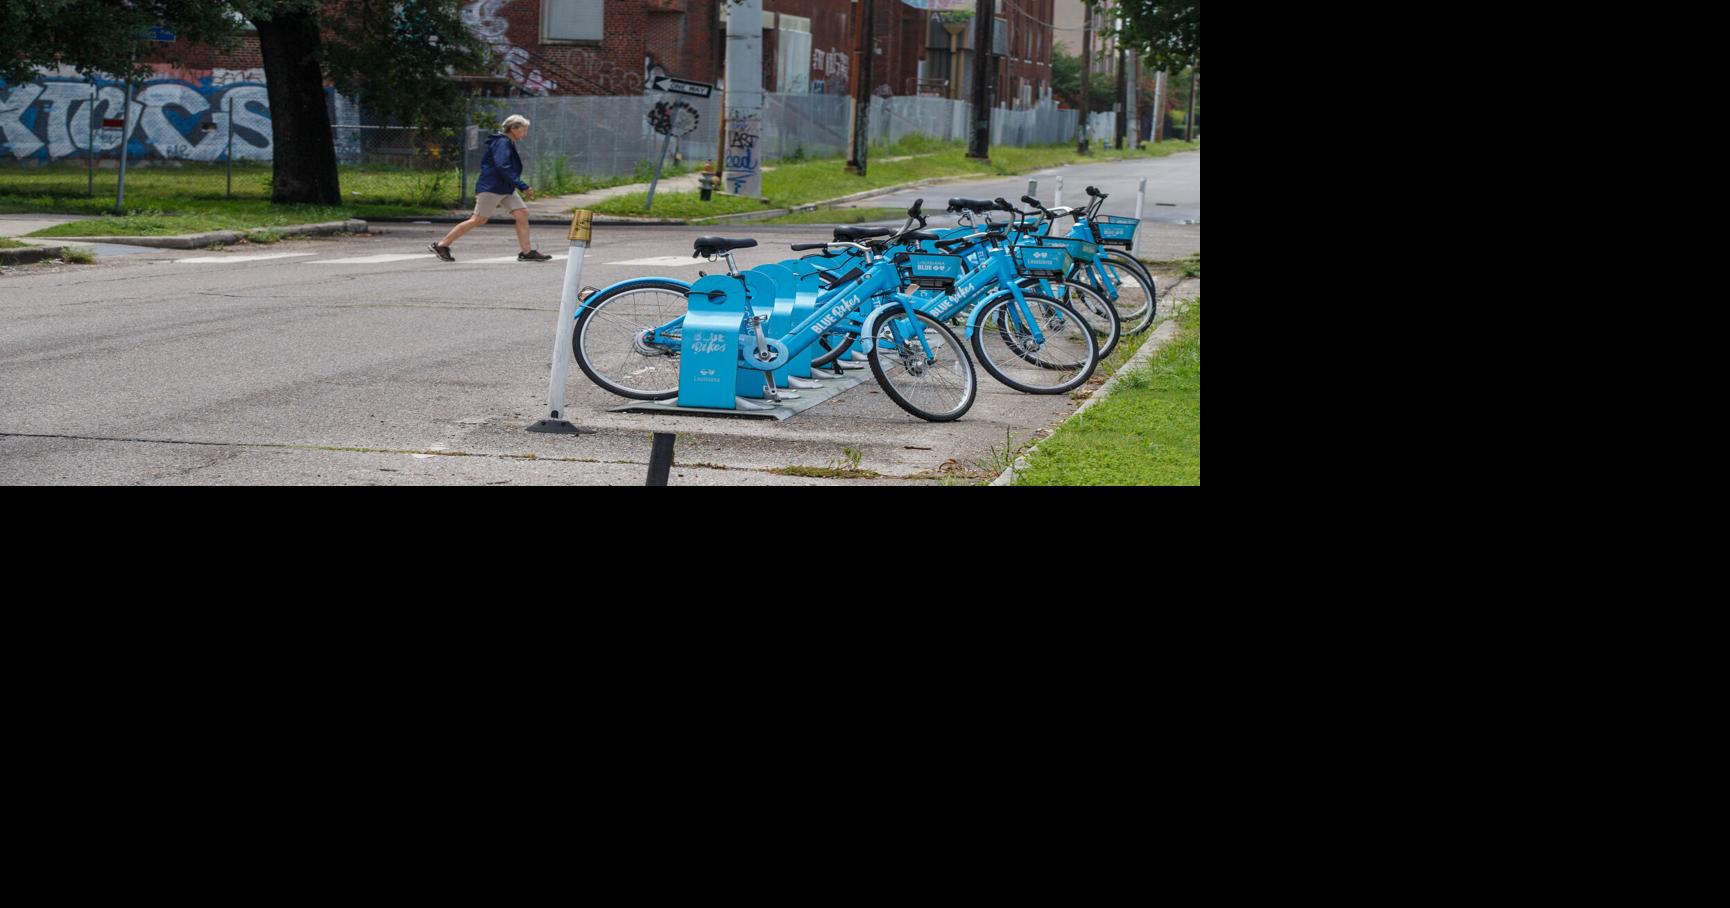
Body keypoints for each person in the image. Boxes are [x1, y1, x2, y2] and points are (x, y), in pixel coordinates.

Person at [429, 115, 552, 262]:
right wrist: (522, 186)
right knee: (478, 219)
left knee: (522, 213)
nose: (525, 134)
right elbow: (503, 166)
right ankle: (442, 245)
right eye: (523, 130)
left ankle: (526, 252)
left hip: (505, 187)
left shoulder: (507, 142)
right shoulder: (502, 143)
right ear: (513, 128)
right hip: (492, 187)